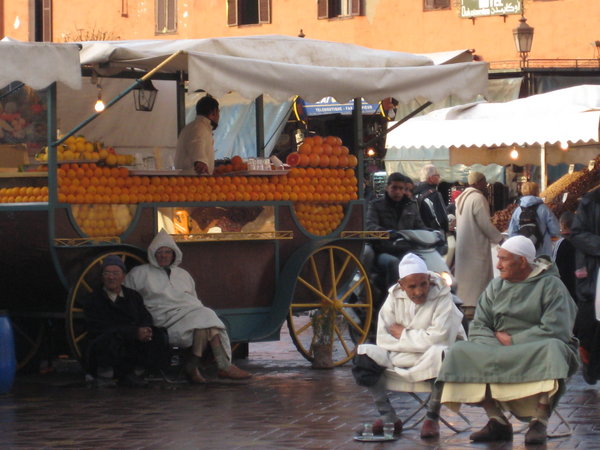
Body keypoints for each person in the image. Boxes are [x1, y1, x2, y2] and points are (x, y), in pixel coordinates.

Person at [437, 236, 579, 445]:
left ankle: (539, 420)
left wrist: (514, 341)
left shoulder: (551, 286)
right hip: (497, 348)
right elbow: (479, 324)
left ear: (522, 261)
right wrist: (495, 346)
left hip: (534, 348)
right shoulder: (496, 286)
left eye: (504, 259)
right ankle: (497, 420)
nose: (498, 265)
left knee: (554, 349)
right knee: (459, 350)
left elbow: (556, 328)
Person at [353, 253, 466, 439]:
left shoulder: (443, 297)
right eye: (412, 286)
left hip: (432, 357)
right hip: (401, 357)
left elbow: (439, 339)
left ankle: (432, 417)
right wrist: (420, 339)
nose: (419, 291)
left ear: (429, 279)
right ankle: (388, 416)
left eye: (423, 284)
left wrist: (404, 334)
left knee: (442, 353)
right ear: (401, 285)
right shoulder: (393, 298)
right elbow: (383, 338)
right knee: (365, 354)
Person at [124, 230, 252, 383]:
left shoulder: (183, 274)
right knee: (207, 317)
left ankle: (196, 367)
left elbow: (193, 300)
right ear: (153, 253)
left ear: (174, 254)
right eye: (160, 252)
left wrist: (191, 311)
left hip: (190, 315)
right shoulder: (139, 273)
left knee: (205, 323)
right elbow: (129, 299)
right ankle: (220, 366)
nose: (163, 255)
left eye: (167, 252)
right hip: (163, 320)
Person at [82, 255, 170, 387]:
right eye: (107, 273)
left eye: (115, 273)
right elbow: (100, 326)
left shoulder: (133, 296)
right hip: (108, 339)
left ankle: (140, 371)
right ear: (102, 276)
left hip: (133, 337)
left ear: (123, 276)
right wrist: (134, 332)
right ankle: (107, 373)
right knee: (109, 339)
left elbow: (145, 315)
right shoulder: (94, 299)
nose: (111, 277)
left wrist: (145, 328)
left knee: (158, 334)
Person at [454, 172, 504, 319]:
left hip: (464, 246)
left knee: (466, 278)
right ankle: (476, 308)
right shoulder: (478, 198)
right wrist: (499, 238)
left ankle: (466, 305)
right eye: (483, 181)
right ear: (477, 183)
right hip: (476, 245)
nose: (485, 184)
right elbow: (485, 224)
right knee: (477, 279)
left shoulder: (461, 199)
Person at [366, 172, 427, 289]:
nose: (398, 191)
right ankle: (392, 298)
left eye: (401, 188)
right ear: (387, 187)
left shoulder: (411, 206)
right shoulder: (376, 205)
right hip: (383, 251)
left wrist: (433, 233)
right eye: (394, 188)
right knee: (393, 263)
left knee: (424, 261)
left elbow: (420, 226)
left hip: (406, 250)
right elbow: (370, 225)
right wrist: (387, 233)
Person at [569, 186, 600, 385]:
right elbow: (577, 234)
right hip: (594, 271)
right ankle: (590, 361)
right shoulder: (591, 201)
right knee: (593, 321)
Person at [507, 181, 560, 257]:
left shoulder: (518, 210)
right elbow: (555, 230)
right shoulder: (544, 209)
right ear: (537, 191)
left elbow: (512, 232)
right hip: (543, 250)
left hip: (525, 251)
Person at [174, 95, 220, 175]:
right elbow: (197, 143)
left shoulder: (193, 127)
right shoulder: (199, 128)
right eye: (219, 112)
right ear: (214, 112)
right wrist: (201, 161)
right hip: (193, 181)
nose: (219, 117)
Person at [414, 164, 449, 233]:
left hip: (417, 233)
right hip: (432, 234)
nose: (439, 178)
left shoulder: (413, 192)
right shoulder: (434, 194)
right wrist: (446, 231)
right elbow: (442, 219)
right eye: (437, 175)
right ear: (431, 178)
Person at [552, 211, 578, 300]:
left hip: (564, 286)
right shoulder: (583, 241)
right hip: (580, 286)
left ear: (563, 225)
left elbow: (554, 265)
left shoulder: (560, 243)